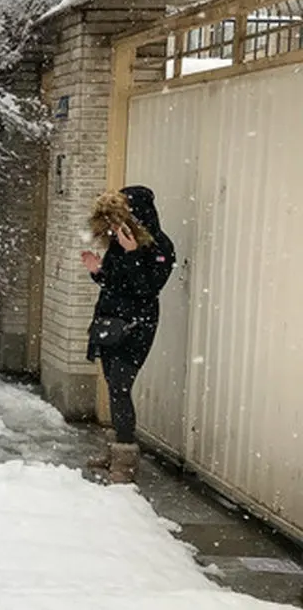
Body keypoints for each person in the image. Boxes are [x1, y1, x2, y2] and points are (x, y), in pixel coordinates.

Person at [79, 185, 175, 484]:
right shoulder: (118, 242)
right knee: (113, 385)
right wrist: (97, 271)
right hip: (110, 321)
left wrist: (133, 254)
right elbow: (114, 284)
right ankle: (117, 450)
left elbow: (146, 289)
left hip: (137, 325)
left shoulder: (160, 246)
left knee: (121, 386)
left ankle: (126, 462)